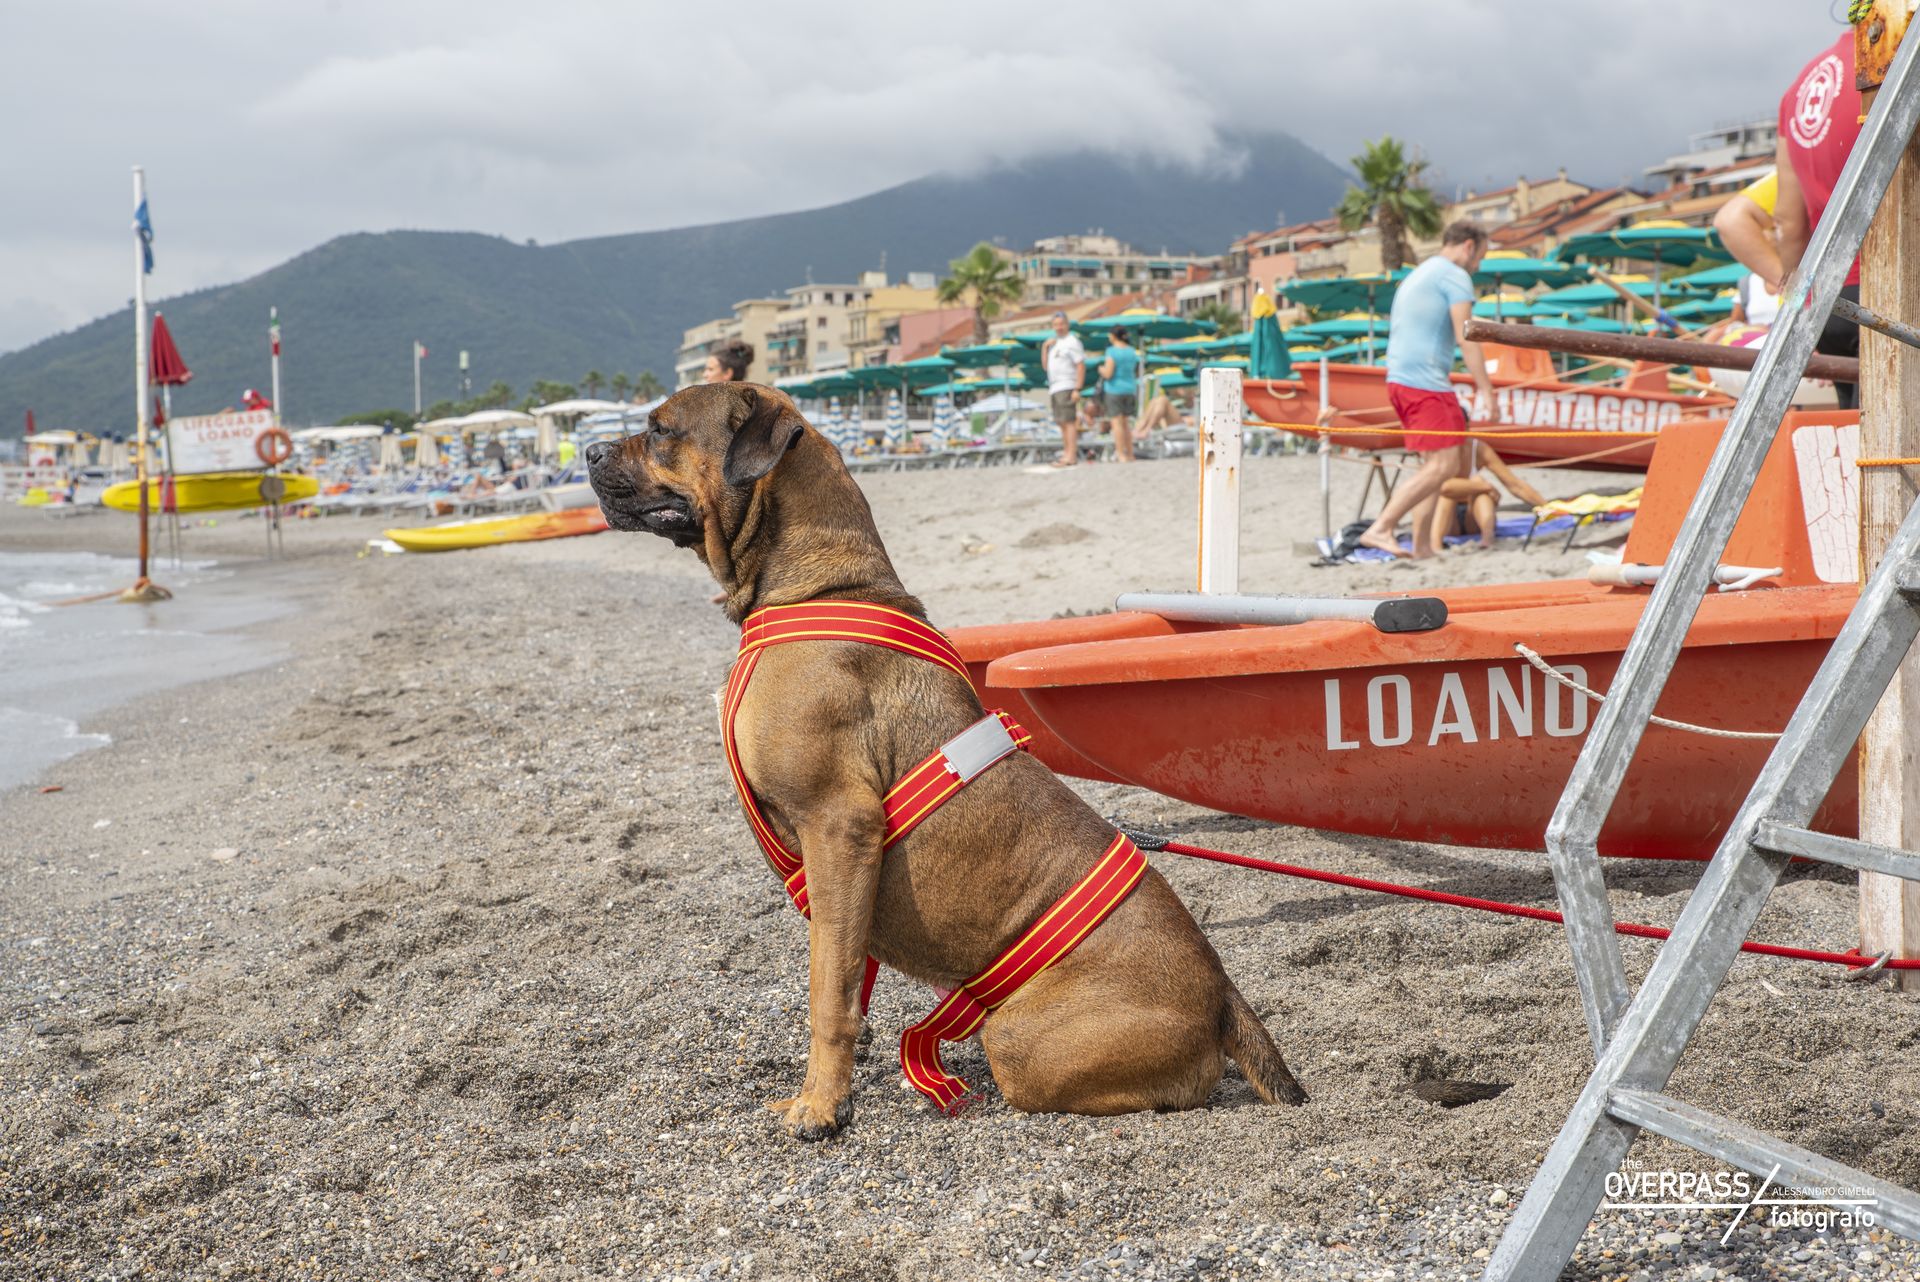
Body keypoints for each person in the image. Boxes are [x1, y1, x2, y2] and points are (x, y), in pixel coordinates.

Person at [1351, 221, 1498, 559]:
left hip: (1401, 380)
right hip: (1425, 383)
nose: (1479, 266)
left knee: (1432, 467)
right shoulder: (1454, 276)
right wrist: (1487, 391)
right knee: (1444, 465)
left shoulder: (1422, 273)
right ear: (1468, 246)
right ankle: (1381, 528)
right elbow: (1467, 337)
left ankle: (1421, 547)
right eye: (1480, 256)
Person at [1774, 30, 1862, 408]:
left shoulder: (1800, 88)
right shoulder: (1889, 63)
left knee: (1855, 431)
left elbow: (1787, 221)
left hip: (1825, 300)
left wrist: (1798, 311)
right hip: (1888, 291)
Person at [1712, 170, 1785, 327]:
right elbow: (1729, 221)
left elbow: (1729, 221)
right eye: (1770, 228)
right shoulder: (1749, 283)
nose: (1770, 235)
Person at [1040, 311, 1086, 467]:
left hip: (1067, 385)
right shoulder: (1055, 344)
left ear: (1067, 325)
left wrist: (1077, 388)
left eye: (1061, 324)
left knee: (1069, 421)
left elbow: (1080, 365)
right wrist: (1044, 348)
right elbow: (1045, 367)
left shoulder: (1072, 342)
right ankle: (1066, 453)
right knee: (1061, 422)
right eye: (1056, 325)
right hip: (1055, 387)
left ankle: (1071, 455)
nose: (1059, 327)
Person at [1099, 328, 1142, 462]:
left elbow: (1108, 373)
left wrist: (1100, 369)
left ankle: (1120, 454)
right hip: (1129, 388)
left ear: (1113, 336)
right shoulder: (1131, 351)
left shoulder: (1111, 351)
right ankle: (1130, 454)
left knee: (1116, 423)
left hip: (1114, 389)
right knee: (1126, 424)